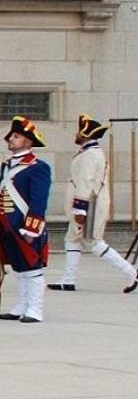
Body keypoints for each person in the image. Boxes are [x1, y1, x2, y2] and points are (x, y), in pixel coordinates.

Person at [51, 115, 138, 293]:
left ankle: (131, 273)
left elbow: (85, 183)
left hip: (89, 205)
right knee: (72, 239)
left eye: (79, 131)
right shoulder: (89, 152)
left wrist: (80, 210)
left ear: (85, 134)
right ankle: (68, 279)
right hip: (88, 203)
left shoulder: (90, 155)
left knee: (94, 242)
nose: (76, 134)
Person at [0, 116, 53, 323]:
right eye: (11, 136)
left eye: (16, 137)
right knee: (18, 266)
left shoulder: (38, 167)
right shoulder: (7, 166)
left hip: (25, 225)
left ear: (28, 141)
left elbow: (39, 201)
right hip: (7, 224)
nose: (11, 140)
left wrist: (32, 227)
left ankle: (35, 308)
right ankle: (22, 305)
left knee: (32, 266)